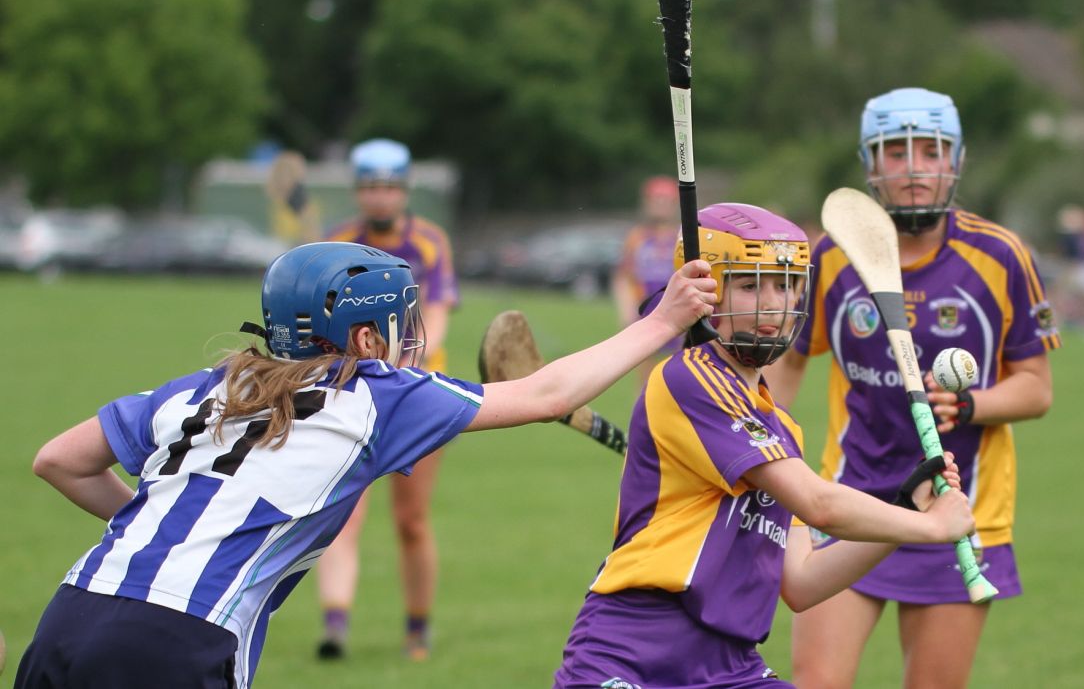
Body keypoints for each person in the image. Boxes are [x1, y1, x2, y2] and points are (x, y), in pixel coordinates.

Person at [16, 241, 717, 689]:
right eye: (396, 322)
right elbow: (546, 393)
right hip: (177, 643)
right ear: (360, 334)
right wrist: (662, 323)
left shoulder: (206, 386)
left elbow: (59, 459)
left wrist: (166, 524)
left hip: (67, 618)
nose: (405, 338)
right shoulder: (375, 394)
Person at [553, 202, 975, 689]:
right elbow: (819, 504)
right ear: (704, 292)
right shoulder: (692, 379)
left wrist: (908, 516)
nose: (773, 302)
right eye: (751, 285)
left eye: (785, 283)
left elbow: (802, 582)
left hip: (730, 667)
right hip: (633, 653)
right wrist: (933, 528)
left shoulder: (781, 429)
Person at [766, 88, 1060, 689]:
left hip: (958, 510)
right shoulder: (833, 256)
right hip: (850, 503)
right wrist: (751, 441)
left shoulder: (1000, 257)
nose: (915, 169)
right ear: (871, 165)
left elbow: (1035, 389)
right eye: (896, 153)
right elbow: (788, 364)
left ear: (955, 159)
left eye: (930, 150)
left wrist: (970, 403)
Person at [315, 138, 458, 660]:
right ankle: (335, 627)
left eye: (389, 187)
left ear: (404, 190)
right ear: (358, 190)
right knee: (343, 508)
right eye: (371, 187)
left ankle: (417, 629)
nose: (380, 197)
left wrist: (409, 359)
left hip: (416, 392)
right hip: (350, 389)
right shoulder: (337, 242)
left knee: (410, 519)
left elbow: (437, 310)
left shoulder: (428, 242)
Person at [611, 175, 682, 387]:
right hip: (646, 310)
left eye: (665, 202)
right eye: (656, 201)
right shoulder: (637, 237)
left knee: (680, 374)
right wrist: (626, 311)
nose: (660, 207)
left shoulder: (682, 236)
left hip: (678, 308)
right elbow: (624, 276)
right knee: (646, 380)